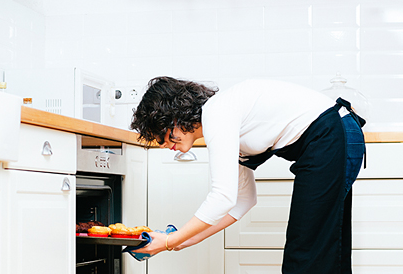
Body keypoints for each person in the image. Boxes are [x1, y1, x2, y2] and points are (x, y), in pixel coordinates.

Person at [129, 76, 365, 274]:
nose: (161, 143)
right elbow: (243, 201)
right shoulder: (226, 120)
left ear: (174, 117)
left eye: (160, 134)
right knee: (325, 249)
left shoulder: (217, 113)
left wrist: (172, 240)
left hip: (332, 134)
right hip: (333, 137)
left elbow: (223, 197)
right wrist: (182, 241)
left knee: (306, 254)